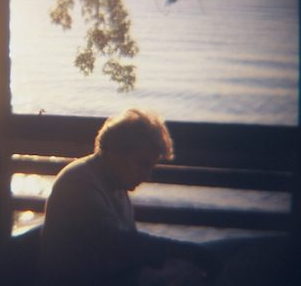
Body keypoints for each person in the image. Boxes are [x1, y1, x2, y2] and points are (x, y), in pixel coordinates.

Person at [38, 108, 218, 286]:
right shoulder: (78, 183)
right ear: (116, 153)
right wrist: (184, 251)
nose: (147, 176)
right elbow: (115, 242)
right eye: (142, 164)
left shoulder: (112, 181)